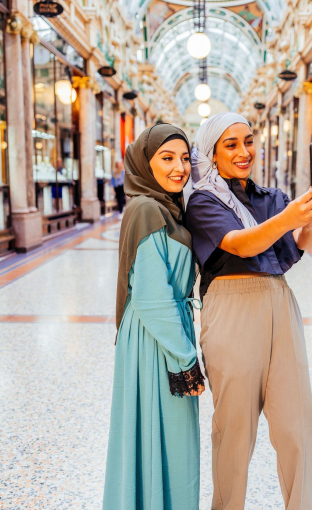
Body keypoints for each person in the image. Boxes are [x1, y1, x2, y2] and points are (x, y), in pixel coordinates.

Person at [186, 113, 312, 510]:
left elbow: (298, 246)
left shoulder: (271, 198)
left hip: (280, 304)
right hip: (231, 311)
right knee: (235, 431)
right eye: (230, 145)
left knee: (298, 427)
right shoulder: (203, 201)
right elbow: (242, 244)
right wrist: (290, 217)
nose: (243, 151)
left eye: (248, 141)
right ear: (212, 154)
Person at [103, 124, 205, 510]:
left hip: (163, 335)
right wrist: (186, 359)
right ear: (145, 163)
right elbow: (150, 296)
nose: (179, 167)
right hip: (156, 339)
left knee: (166, 437)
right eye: (167, 158)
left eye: (184, 158)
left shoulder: (166, 207)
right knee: (172, 437)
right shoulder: (147, 209)